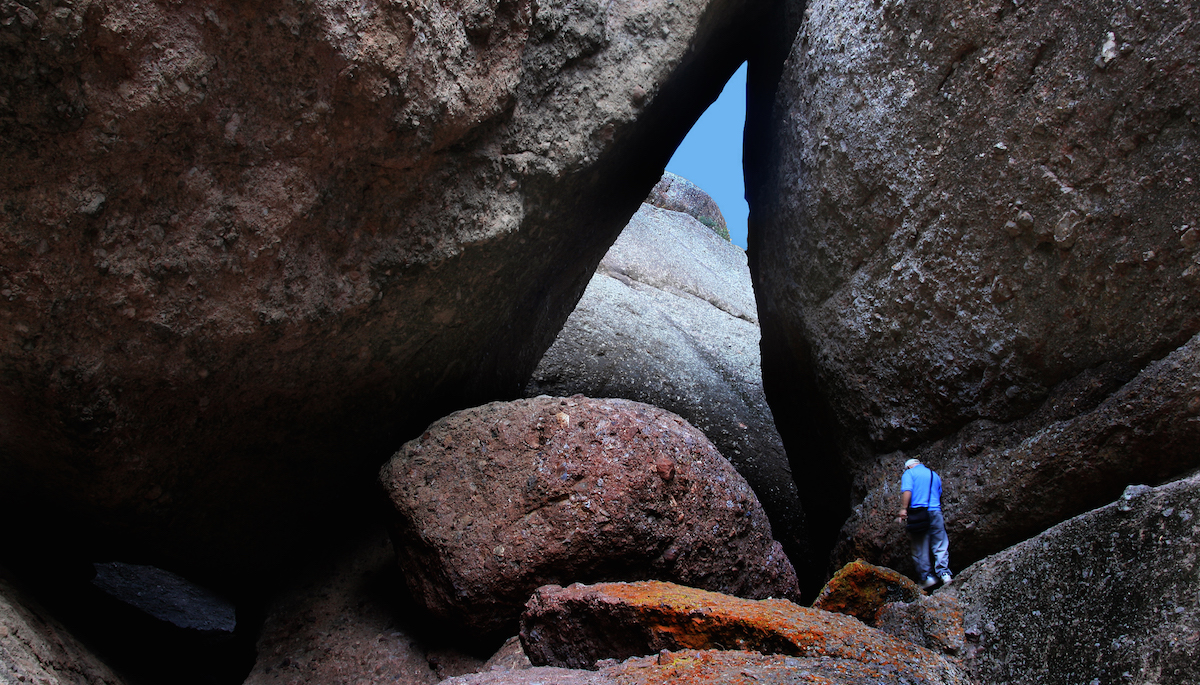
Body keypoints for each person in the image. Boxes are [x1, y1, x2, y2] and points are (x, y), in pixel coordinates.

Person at [896, 457, 951, 589]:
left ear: (909, 466)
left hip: (919, 513)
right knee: (940, 542)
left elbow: (907, 491)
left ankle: (926, 577)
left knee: (920, 546)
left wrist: (903, 509)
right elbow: (938, 493)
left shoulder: (909, 473)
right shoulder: (934, 475)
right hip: (936, 511)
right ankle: (944, 573)